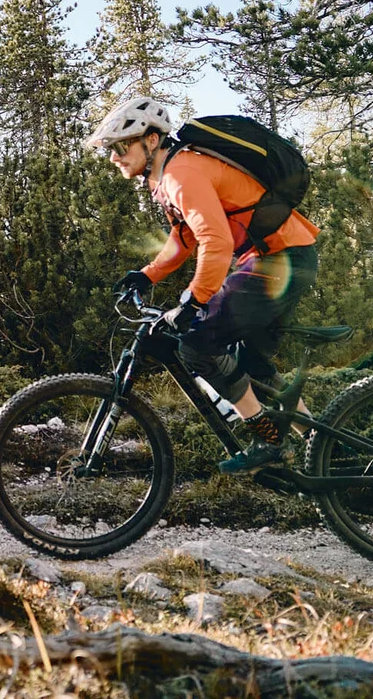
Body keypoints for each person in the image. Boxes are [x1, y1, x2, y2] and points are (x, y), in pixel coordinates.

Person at [88, 96, 320, 474]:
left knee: (197, 343)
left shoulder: (182, 173)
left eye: (120, 146)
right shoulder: (170, 175)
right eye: (110, 150)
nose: (114, 157)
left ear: (150, 141)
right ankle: (320, 444)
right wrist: (147, 274)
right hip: (280, 257)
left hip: (280, 259)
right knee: (250, 364)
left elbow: (216, 242)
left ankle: (270, 440)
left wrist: (194, 303)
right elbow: (185, 238)